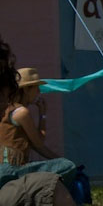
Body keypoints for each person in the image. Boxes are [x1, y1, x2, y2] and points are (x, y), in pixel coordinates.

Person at [0, 38, 76, 206]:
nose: (38, 91)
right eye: (36, 87)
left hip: (8, 169)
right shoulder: (21, 112)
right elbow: (39, 144)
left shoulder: (12, 109)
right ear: (26, 89)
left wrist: (42, 114)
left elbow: (36, 143)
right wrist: (60, 160)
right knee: (67, 166)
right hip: (11, 170)